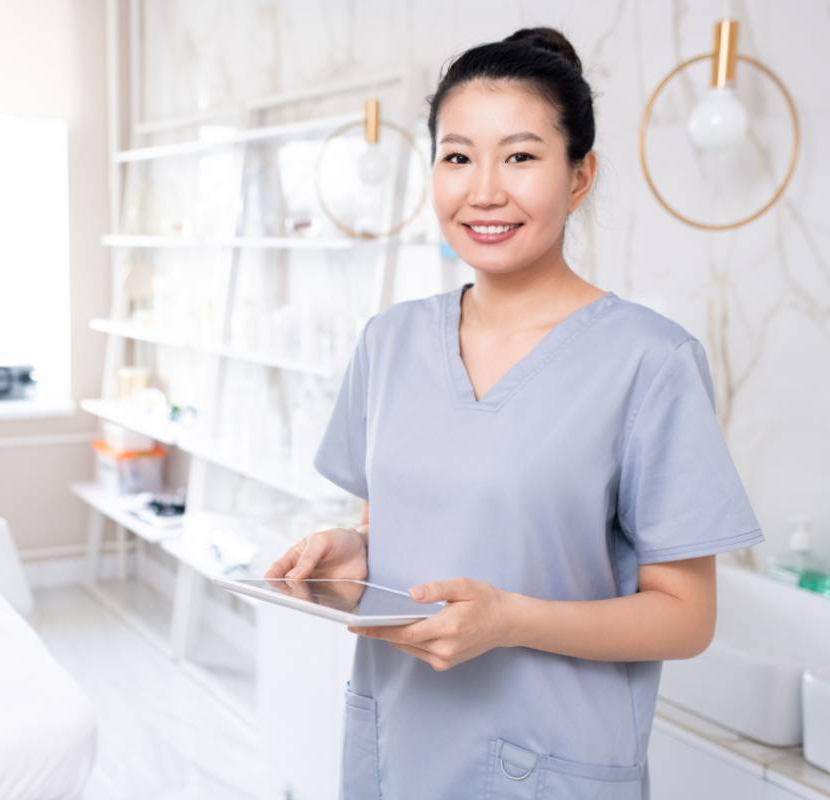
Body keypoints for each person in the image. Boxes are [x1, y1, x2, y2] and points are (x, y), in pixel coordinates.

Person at [265, 26, 764, 800]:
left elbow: (686, 617)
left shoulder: (648, 361)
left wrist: (510, 620)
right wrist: (358, 552)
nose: (484, 191)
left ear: (580, 175)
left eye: (521, 157)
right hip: (395, 747)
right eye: (458, 157)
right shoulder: (390, 341)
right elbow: (402, 522)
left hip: (550, 762)